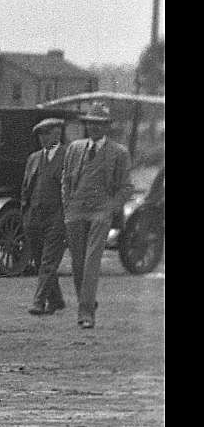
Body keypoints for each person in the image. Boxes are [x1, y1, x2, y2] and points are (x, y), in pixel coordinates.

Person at [57, 103, 133, 332]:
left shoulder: (119, 152)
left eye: (99, 124)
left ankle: (86, 312)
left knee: (92, 261)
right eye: (91, 123)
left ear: (107, 127)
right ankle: (87, 302)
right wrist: (67, 203)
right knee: (78, 262)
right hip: (75, 211)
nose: (94, 127)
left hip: (101, 212)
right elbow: (65, 179)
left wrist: (111, 207)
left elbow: (126, 188)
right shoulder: (74, 149)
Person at [21, 115, 69, 317]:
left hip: (58, 215)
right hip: (35, 216)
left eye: (47, 133)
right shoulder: (33, 159)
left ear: (57, 133)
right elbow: (26, 188)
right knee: (40, 260)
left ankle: (39, 301)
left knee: (49, 260)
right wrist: (26, 213)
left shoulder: (69, 156)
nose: (42, 138)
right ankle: (56, 300)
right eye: (40, 134)